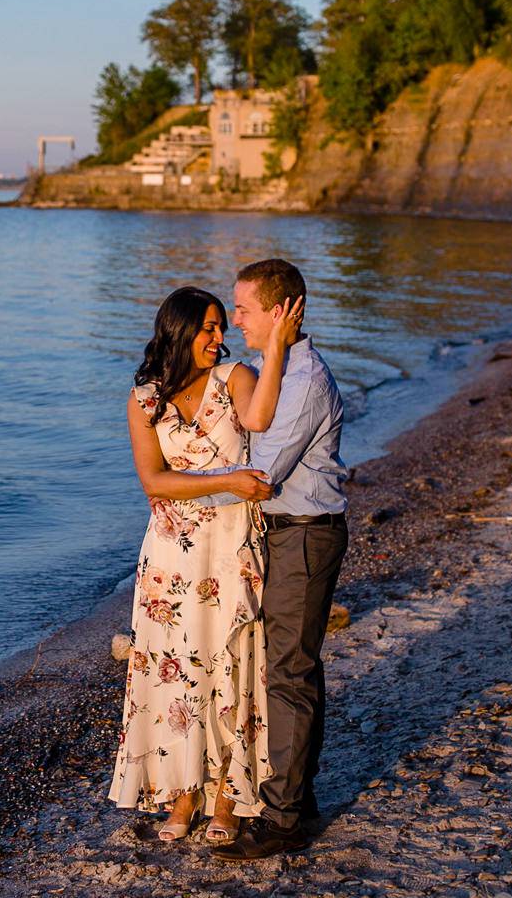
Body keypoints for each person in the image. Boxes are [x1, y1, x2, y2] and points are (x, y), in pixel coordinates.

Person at [107, 284, 304, 843]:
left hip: (232, 546)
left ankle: (227, 797)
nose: (219, 338)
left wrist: (280, 350)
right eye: (208, 329)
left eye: (223, 326)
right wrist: (228, 481)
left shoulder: (236, 376)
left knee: (230, 663)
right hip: (171, 558)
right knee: (176, 668)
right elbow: (153, 479)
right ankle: (181, 790)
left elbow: (260, 420)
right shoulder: (145, 399)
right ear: (179, 330)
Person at [207, 257, 349, 862]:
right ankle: (301, 796)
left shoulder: (304, 380)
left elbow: (263, 476)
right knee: (297, 666)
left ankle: (284, 817)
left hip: (305, 534)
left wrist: (176, 486)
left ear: (281, 311)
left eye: (243, 308)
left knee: (287, 672)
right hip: (289, 533)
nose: (235, 319)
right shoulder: (275, 368)